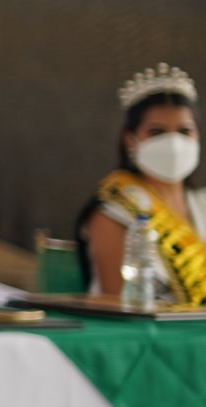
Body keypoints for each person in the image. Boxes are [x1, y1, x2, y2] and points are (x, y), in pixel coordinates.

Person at [79, 63, 206, 302]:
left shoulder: (202, 203)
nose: (173, 142)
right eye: (157, 132)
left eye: (184, 131)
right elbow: (117, 304)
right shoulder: (115, 211)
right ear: (131, 140)